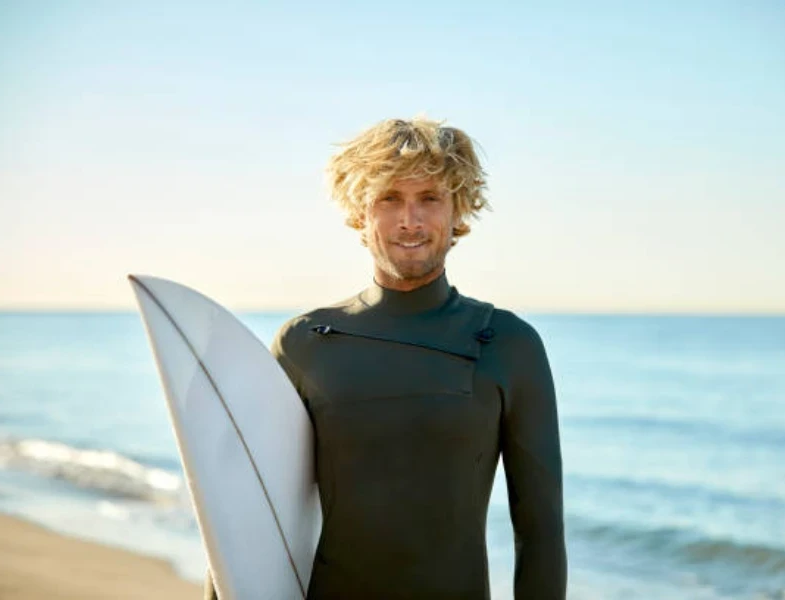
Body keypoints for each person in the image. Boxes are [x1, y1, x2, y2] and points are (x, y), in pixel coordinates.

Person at [203, 117, 566, 599]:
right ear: (361, 213)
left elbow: (540, 533)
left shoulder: (507, 343)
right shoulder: (305, 343)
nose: (410, 220)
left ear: (458, 209)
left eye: (429, 198)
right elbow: (248, 517)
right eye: (389, 199)